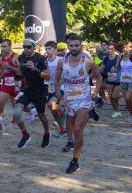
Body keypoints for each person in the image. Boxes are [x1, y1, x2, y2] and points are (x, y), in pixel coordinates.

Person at [55, 34, 102, 173]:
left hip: (84, 99)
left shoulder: (88, 62)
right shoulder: (61, 62)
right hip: (69, 101)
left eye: (77, 45)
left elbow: (100, 78)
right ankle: (91, 112)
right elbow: (56, 81)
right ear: (67, 46)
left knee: (77, 130)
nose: (74, 48)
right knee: (75, 125)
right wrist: (60, 98)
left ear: (81, 46)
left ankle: (75, 161)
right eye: (71, 45)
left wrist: (96, 92)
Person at [13, 38, 51, 149]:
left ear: (34, 47)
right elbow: (20, 70)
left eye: (28, 47)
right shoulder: (21, 57)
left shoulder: (41, 58)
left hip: (39, 91)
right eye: (24, 46)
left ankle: (47, 134)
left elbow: (47, 75)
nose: (25, 49)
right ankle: (25, 135)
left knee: (42, 116)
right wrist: (17, 80)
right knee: (17, 112)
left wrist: (35, 69)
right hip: (26, 90)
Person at [0, 39, 22, 124]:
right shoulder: (1, 58)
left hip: (16, 84)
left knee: (19, 105)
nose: (3, 48)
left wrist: (10, 67)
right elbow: (4, 70)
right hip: (6, 85)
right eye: (1, 46)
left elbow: (21, 71)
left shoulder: (16, 57)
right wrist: (0, 76)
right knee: (0, 105)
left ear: (10, 47)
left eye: (5, 46)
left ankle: (31, 111)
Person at [113, 41, 132, 122]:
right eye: (124, 47)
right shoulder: (120, 57)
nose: (125, 49)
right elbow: (116, 68)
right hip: (123, 80)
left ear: (130, 48)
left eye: (126, 47)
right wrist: (113, 70)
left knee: (128, 97)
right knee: (126, 100)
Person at [44, 41, 67, 138]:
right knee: (53, 111)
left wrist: (62, 78)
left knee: (51, 104)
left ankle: (63, 110)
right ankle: (62, 129)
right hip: (49, 87)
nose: (47, 51)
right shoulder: (45, 61)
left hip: (60, 86)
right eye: (46, 49)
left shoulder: (60, 60)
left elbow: (66, 72)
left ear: (55, 49)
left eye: (49, 49)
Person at [101, 43, 123, 118]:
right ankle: (117, 111)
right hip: (110, 79)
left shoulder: (118, 57)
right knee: (110, 97)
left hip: (118, 79)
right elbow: (102, 68)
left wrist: (116, 70)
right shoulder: (106, 58)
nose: (110, 50)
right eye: (109, 49)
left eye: (111, 49)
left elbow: (123, 67)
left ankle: (124, 94)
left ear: (115, 50)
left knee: (115, 96)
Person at [97, 40, 109, 107]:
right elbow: (97, 63)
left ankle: (115, 99)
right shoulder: (99, 54)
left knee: (110, 87)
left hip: (109, 73)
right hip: (102, 72)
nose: (103, 46)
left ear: (107, 46)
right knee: (99, 86)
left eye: (104, 45)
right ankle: (103, 99)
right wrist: (97, 67)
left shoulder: (109, 53)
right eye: (102, 45)